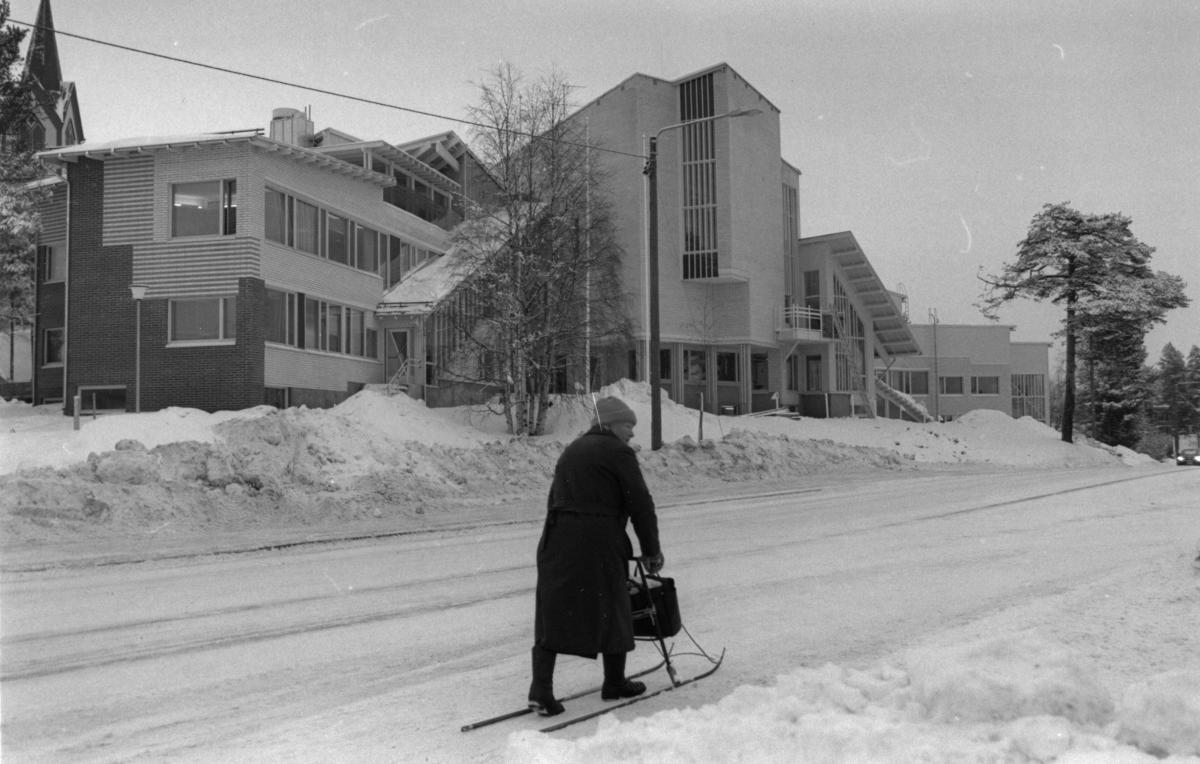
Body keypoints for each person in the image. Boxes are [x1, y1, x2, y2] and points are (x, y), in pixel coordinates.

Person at [528, 396, 664, 716]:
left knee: (553, 610)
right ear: (611, 424)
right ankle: (614, 682)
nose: (631, 433)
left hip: (557, 537)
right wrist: (651, 550)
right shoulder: (618, 452)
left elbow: (555, 498)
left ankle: (541, 690)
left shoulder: (572, 450)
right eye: (628, 425)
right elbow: (640, 504)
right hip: (599, 539)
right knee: (614, 604)